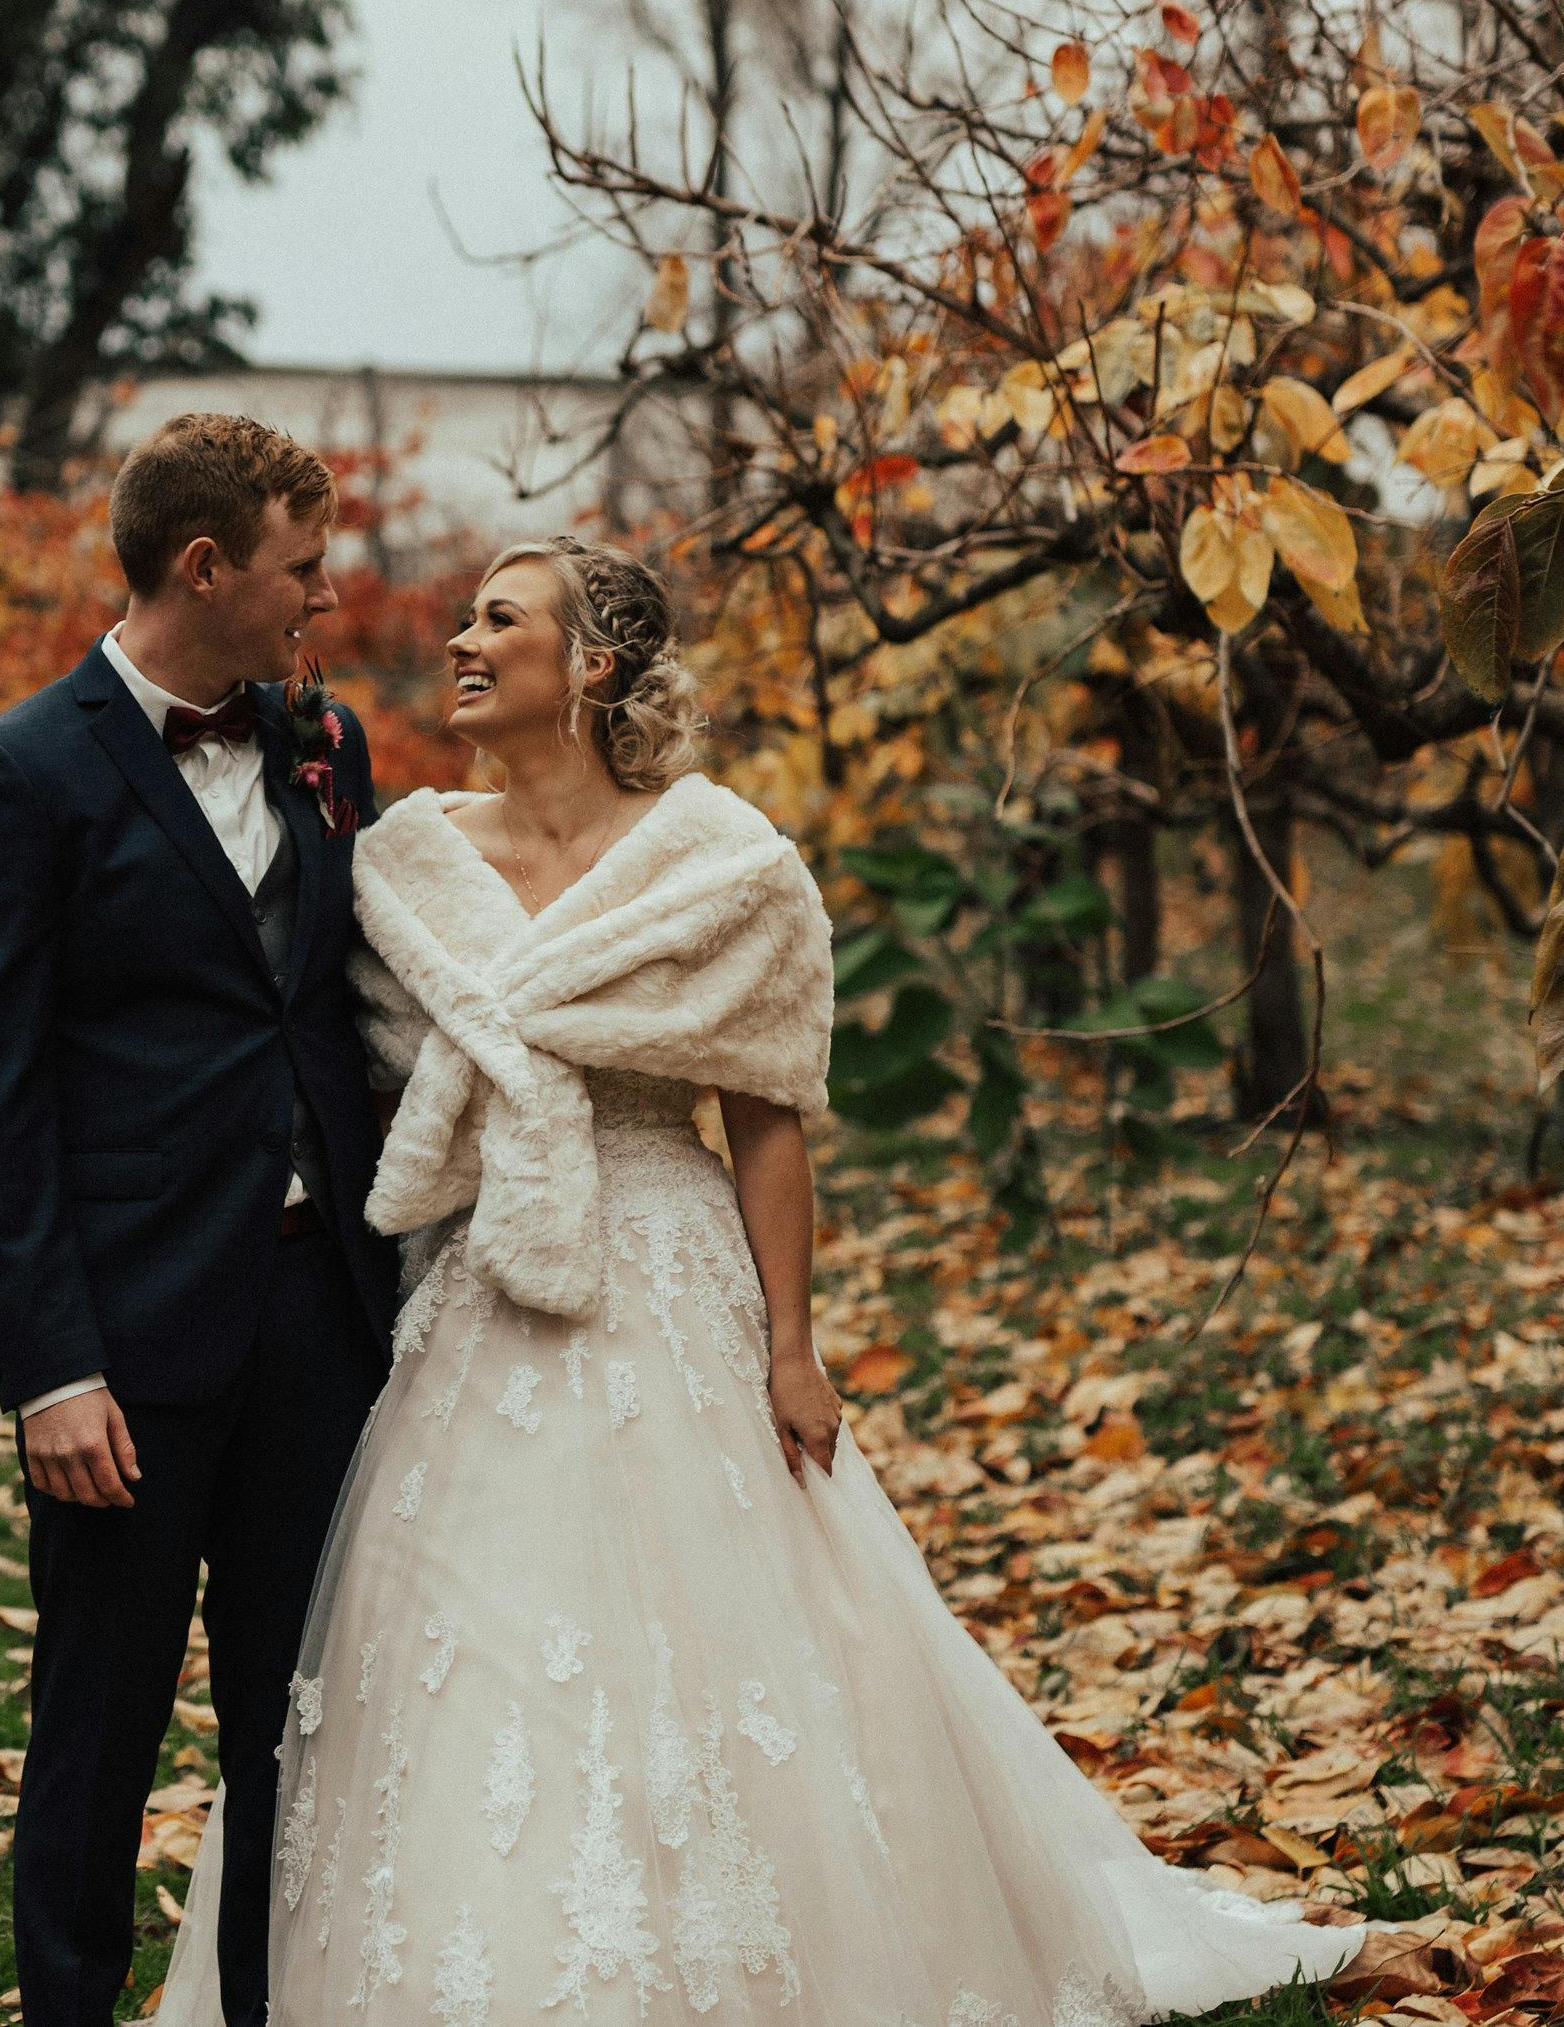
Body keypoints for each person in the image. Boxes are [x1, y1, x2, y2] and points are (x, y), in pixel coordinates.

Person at [153, 537, 1364, 2025]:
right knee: (447, 1632)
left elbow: (771, 1115)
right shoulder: (402, 860)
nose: (461, 640)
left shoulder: (722, 864)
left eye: (499, 620)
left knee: (721, 1632)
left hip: (665, 1262)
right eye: (463, 617)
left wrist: (793, 1344)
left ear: (592, 663)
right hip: (475, 1288)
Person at [0, 414, 400, 2027]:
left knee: (298, 1722)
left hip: (320, 1315)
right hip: (124, 1336)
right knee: (101, 1720)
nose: (320, 605)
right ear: (204, 567)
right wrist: (49, 1370)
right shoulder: (14, 773)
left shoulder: (325, 749)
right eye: (300, 571)